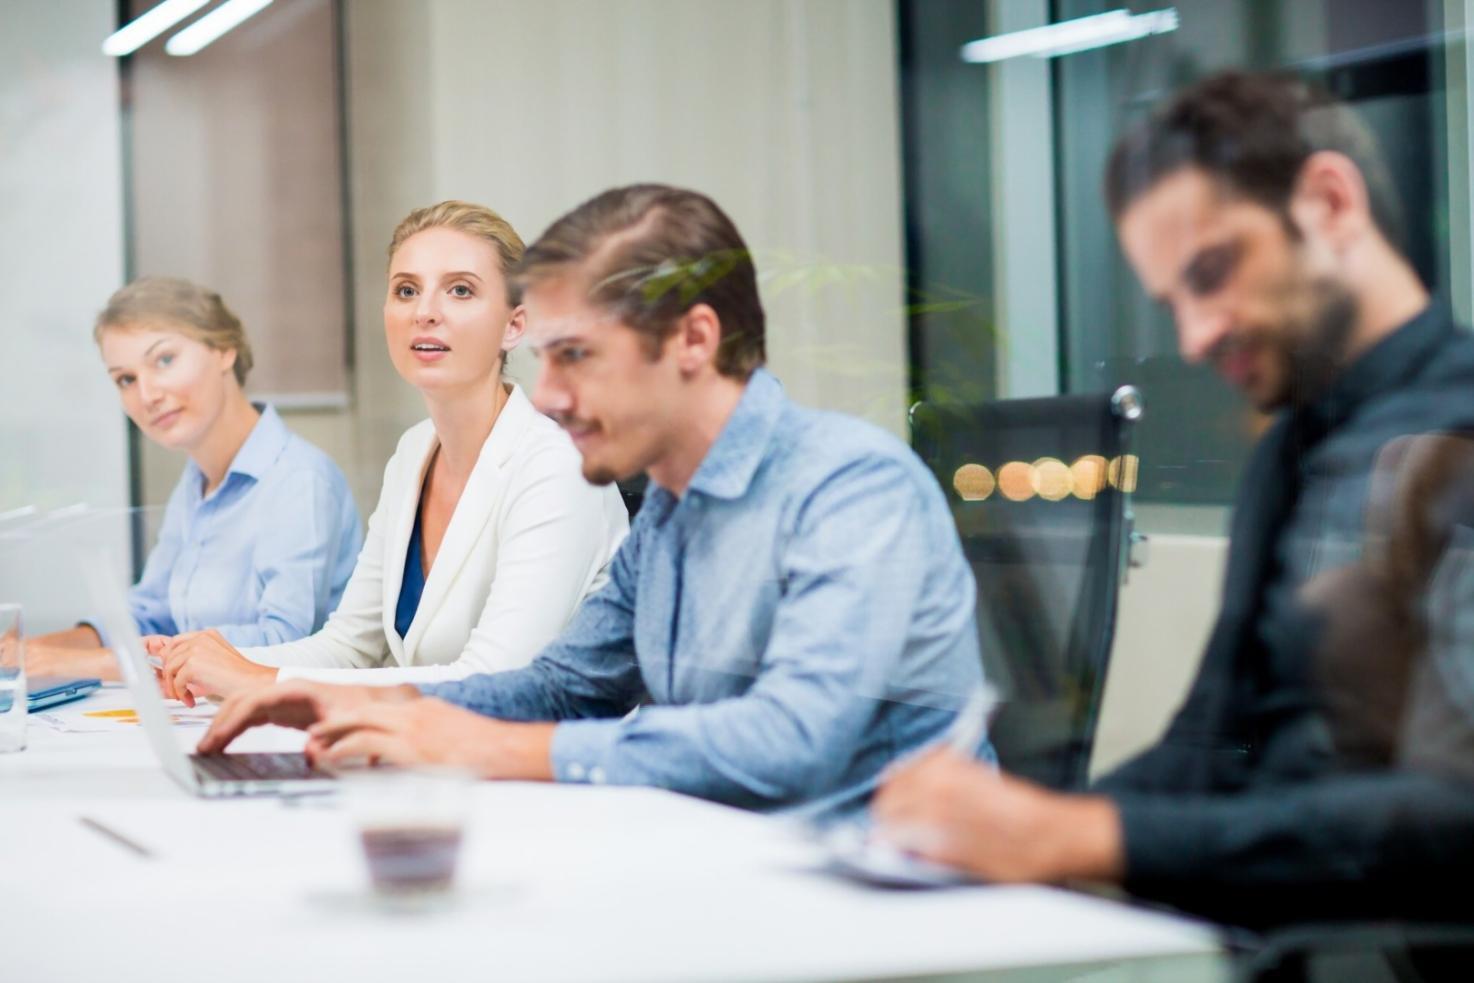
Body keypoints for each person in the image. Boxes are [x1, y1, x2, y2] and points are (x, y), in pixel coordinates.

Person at [873, 71, 1474, 928]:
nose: (1194, 336)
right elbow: (1205, 746)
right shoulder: (1293, 453)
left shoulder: (1453, 436)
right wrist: (1009, 833)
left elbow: (1455, 816)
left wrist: (1083, 836)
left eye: (1214, 270)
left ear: (1331, 203)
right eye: (1172, 302)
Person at [197, 184, 985, 815]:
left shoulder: (851, 488)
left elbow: (788, 741)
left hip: (879, 899)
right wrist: (369, 704)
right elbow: (562, 687)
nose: (550, 394)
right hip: (732, 866)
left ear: (694, 342)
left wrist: (485, 746)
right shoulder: (675, 509)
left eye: (576, 357)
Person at [156, 201, 628, 700]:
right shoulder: (413, 453)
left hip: (551, 767)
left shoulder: (557, 467)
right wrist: (213, 661)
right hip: (435, 757)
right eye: (406, 290)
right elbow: (348, 647)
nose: (424, 312)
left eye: (461, 290)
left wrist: (260, 681)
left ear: (514, 325)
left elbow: (497, 681)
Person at [27, 277, 362, 681]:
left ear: (223, 349)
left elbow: (282, 641)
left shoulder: (300, 481)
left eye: (164, 360)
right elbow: (149, 616)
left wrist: (89, 664)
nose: (147, 394)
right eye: (126, 379)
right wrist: (32, 651)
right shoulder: (196, 483)